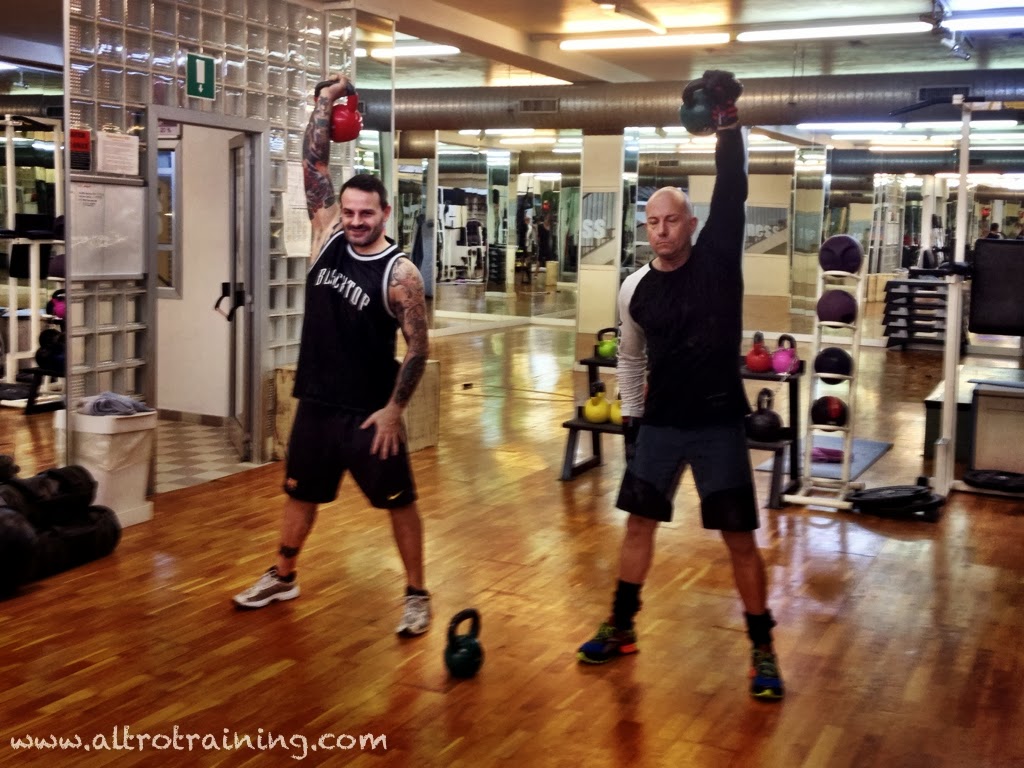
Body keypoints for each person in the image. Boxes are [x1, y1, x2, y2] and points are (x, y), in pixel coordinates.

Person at [576, 70, 784, 700]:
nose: (661, 230)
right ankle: (621, 627)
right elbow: (630, 361)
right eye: (652, 222)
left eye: (671, 220)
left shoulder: (718, 261)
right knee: (638, 526)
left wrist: (728, 122)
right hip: (662, 425)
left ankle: (763, 649)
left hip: (719, 423)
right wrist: (632, 421)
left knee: (739, 539)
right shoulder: (635, 288)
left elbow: (734, 188)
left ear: (690, 224)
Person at [233, 75, 433, 638]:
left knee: (399, 502)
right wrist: (323, 101)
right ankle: (283, 575)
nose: (355, 221)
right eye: (348, 211)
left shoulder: (400, 274)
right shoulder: (325, 238)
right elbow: (313, 163)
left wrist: (394, 410)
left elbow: (419, 347)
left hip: (370, 414)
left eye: (366, 214)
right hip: (317, 404)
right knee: (300, 494)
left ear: (385, 213)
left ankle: (417, 593)